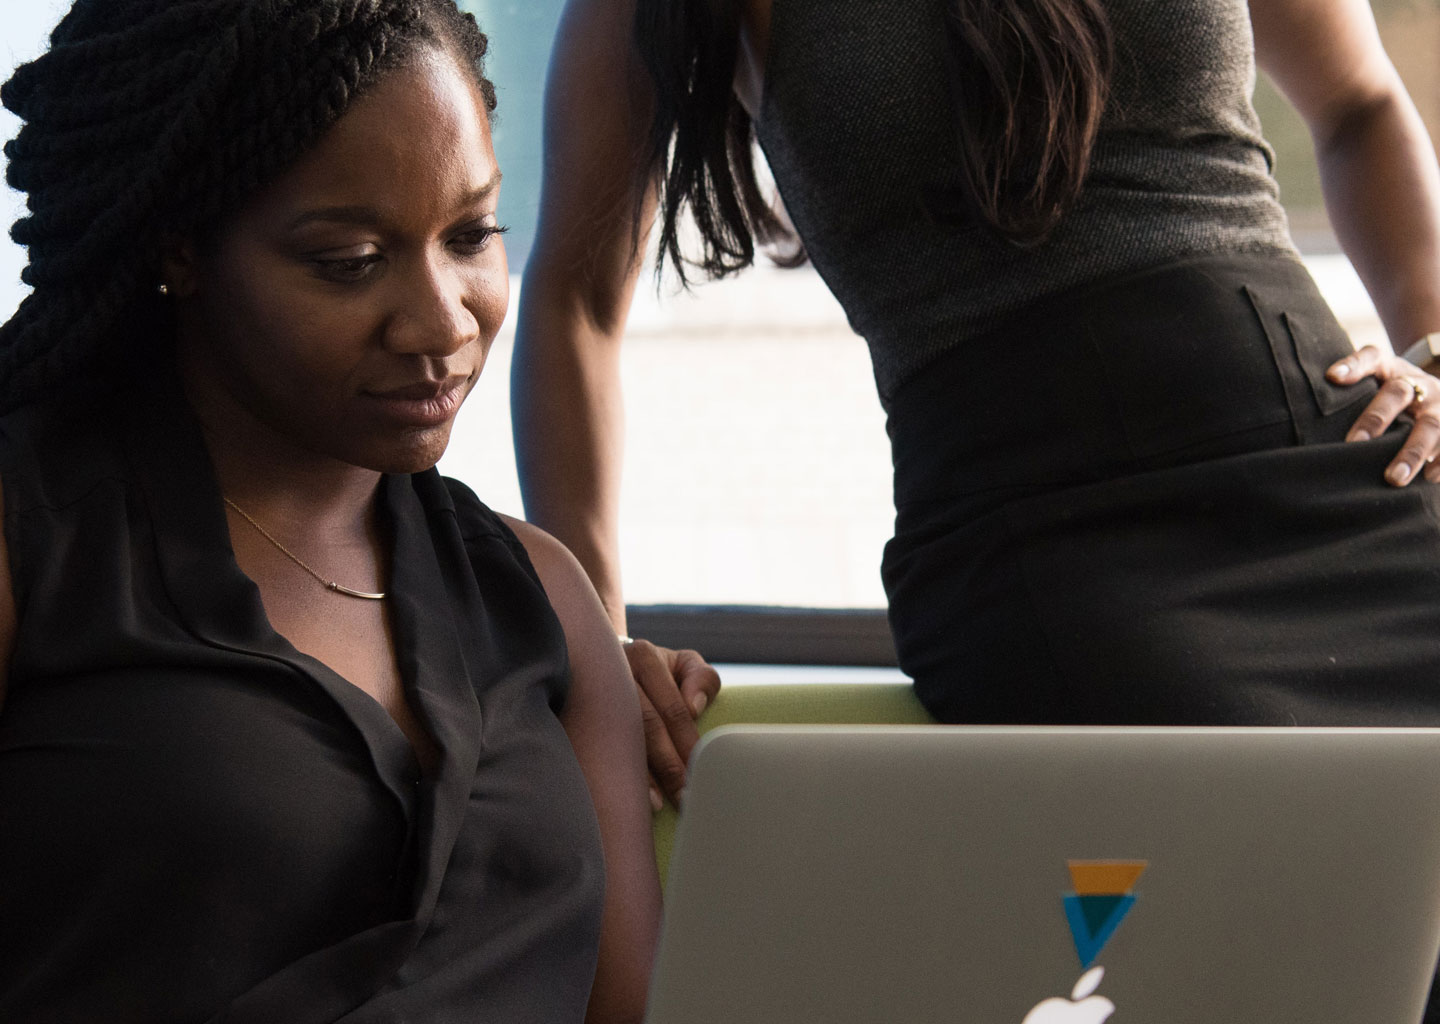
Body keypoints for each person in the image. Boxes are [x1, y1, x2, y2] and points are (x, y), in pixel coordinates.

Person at [515, 0, 1440, 730]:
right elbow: (574, 303)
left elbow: (1361, 102)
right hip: (1047, 548)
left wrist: (1432, 348)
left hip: (1342, 458)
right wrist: (600, 651)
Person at [0, 1, 658, 1020]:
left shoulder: (543, 598)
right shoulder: (33, 542)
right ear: (181, 251)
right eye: (350, 262)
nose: (442, 319)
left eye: (472, 235)